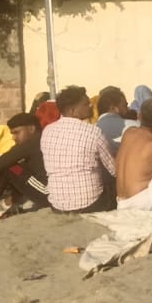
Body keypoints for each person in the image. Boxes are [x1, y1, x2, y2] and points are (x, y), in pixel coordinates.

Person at [41, 85, 117, 213]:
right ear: (72, 110)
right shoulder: (93, 132)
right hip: (91, 203)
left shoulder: (47, 131)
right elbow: (113, 169)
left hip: (57, 204)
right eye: (86, 104)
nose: (91, 105)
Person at [0, 112, 48, 214]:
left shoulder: (32, 142)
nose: (13, 138)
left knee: (10, 167)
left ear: (31, 129)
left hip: (49, 193)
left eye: (17, 132)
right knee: (17, 168)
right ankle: (6, 204)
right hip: (54, 190)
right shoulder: (43, 138)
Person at [93, 86, 130, 154]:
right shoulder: (133, 126)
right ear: (114, 108)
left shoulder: (91, 130)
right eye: (125, 105)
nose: (128, 109)